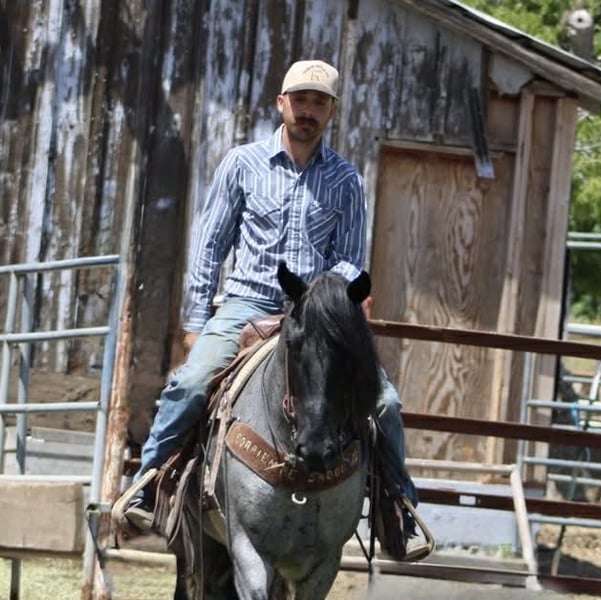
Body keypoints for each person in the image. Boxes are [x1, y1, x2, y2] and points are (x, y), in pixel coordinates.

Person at [122, 59, 426, 558]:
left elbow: (350, 260)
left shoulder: (346, 180)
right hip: (247, 301)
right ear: (282, 103)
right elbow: (209, 244)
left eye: (319, 103)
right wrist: (196, 321)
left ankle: (398, 507)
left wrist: (328, 298)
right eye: (300, 100)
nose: (308, 110)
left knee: (385, 401)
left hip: (315, 312)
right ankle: (149, 482)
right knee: (191, 383)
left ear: (331, 111)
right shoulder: (242, 164)